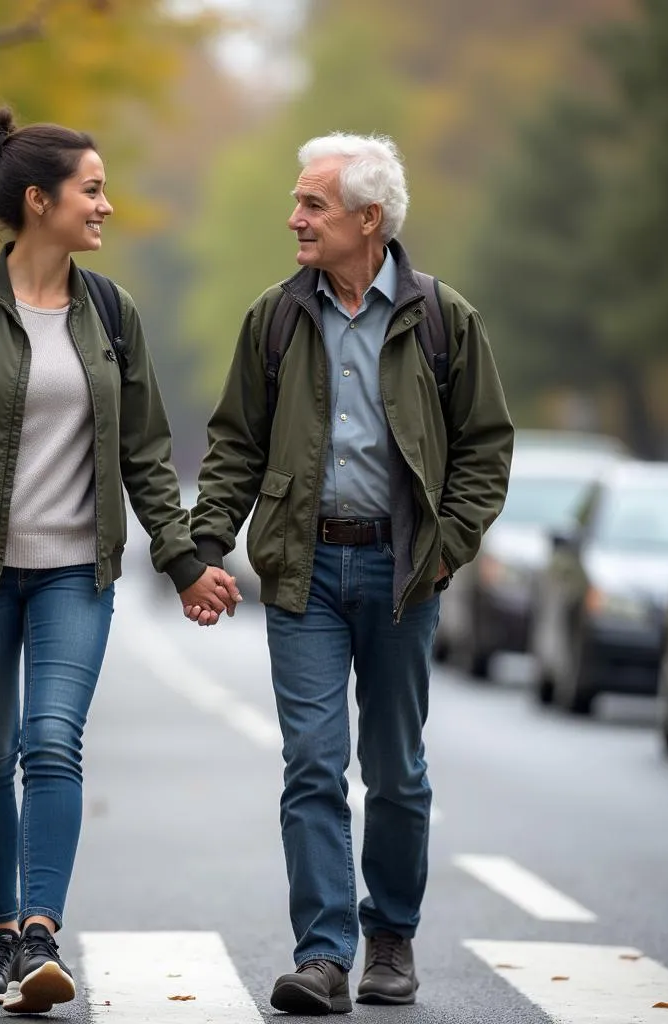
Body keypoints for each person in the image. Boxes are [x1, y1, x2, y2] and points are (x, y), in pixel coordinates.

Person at [0, 105, 240, 1015]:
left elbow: (147, 454)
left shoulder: (111, 313)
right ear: (39, 202)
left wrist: (185, 560)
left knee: (52, 742)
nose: (106, 205)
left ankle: (41, 932)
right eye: (92, 189)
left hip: (78, 570)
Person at [188, 133, 513, 1014]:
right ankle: (325, 955)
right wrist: (204, 547)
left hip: (406, 569)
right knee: (312, 765)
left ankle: (393, 937)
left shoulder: (445, 317)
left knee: (397, 770)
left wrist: (450, 543)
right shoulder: (276, 318)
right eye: (298, 203)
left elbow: (486, 446)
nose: (295, 219)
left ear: (368, 220)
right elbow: (233, 448)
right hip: (304, 573)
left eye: (313, 206)